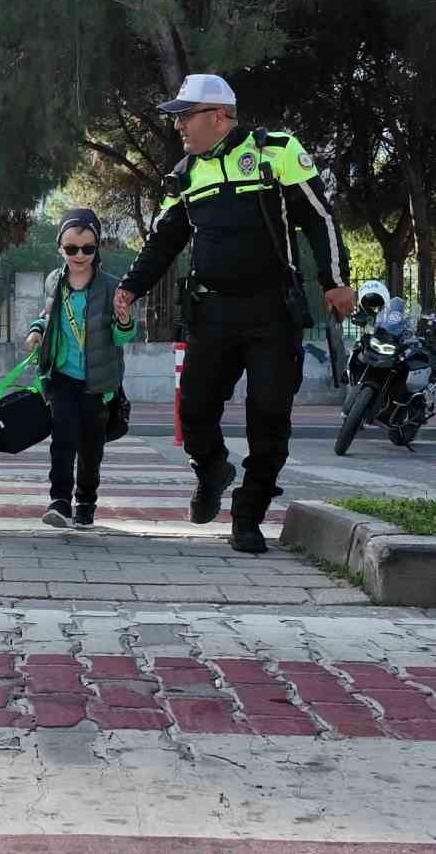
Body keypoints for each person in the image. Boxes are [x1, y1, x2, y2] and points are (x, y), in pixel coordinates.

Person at [115, 74, 355, 554]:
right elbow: (163, 241)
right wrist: (130, 288)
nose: (180, 125)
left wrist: (335, 280)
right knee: (195, 410)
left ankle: (249, 512)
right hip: (212, 311)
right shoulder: (184, 175)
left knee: (269, 416)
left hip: (272, 311)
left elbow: (317, 218)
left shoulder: (277, 151)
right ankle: (211, 470)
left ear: (219, 115)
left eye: (187, 115)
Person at [25, 208, 137, 530]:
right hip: (60, 376)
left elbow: (123, 336)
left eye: (88, 248)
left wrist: (124, 318)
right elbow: (47, 316)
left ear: (96, 248)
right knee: (62, 438)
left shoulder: (111, 287)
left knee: (91, 446)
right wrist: (35, 331)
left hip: (97, 383)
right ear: (60, 246)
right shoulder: (54, 282)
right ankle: (59, 501)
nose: (79, 255)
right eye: (72, 248)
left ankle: (86, 502)